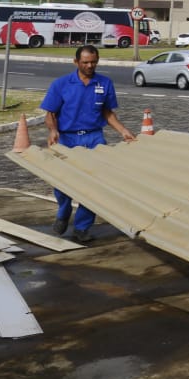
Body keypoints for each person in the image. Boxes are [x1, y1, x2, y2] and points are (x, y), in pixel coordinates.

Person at [41, 45, 137, 242]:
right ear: (76, 62)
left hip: (94, 137)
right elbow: (50, 113)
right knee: (62, 180)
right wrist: (53, 131)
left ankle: (82, 226)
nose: (90, 65)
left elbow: (108, 113)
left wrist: (123, 130)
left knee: (95, 184)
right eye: (85, 62)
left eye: (93, 62)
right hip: (67, 137)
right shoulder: (61, 84)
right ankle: (64, 211)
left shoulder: (105, 83)